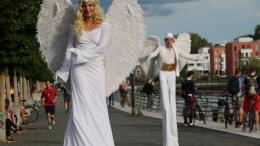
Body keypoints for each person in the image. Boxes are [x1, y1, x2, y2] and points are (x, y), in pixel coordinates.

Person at [55, 0, 115, 145]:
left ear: (96, 6)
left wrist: (82, 55)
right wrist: (62, 72)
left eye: (91, 5)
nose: (88, 8)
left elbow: (101, 48)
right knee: (81, 105)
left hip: (95, 68)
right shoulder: (74, 27)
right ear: (81, 8)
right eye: (84, 5)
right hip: (79, 69)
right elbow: (69, 52)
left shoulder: (104, 26)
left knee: (98, 104)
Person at [145, 33, 206, 146]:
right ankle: (165, 107)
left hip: (172, 73)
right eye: (167, 40)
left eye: (171, 40)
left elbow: (186, 56)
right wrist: (147, 57)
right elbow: (153, 54)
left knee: (172, 99)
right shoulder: (161, 48)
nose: (169, 42)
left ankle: (173, 139)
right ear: (165, 41)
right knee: (166, 103)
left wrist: (198, 57)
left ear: (173, 40)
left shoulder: (176, 49)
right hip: (162, 72)